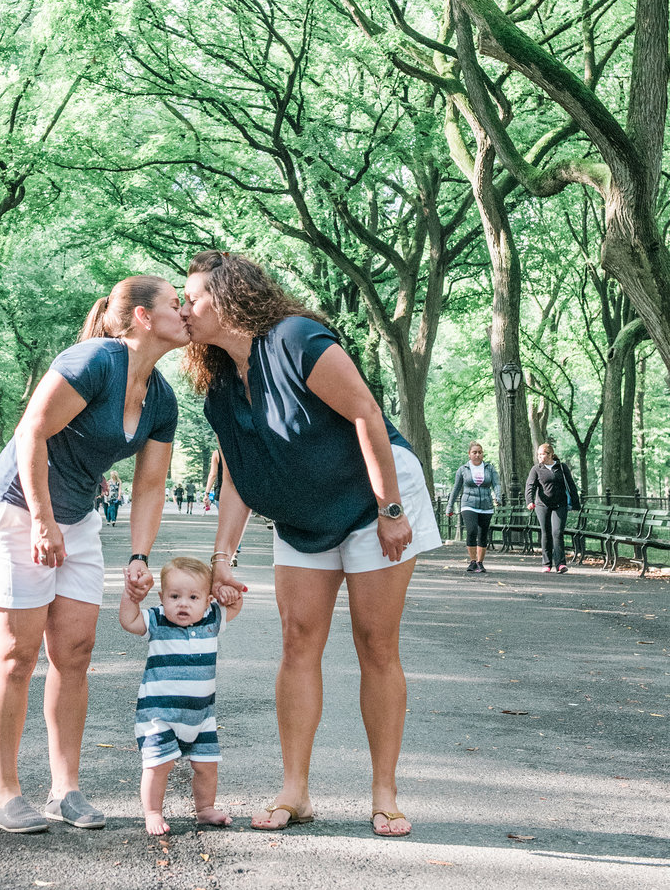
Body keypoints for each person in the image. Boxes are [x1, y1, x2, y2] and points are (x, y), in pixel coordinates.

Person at [181, 250, 441, 837]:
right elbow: (237, 477)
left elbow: (365, 414)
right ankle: (295, 790)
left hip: (375, 501)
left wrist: (391, 508)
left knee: (375, 642)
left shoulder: (297, 339)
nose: (183, 307)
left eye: (192, 296)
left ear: (227, 297)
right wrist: (222, 559)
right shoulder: (220, 388)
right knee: (298, 640)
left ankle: (384, 793)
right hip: (300, 516)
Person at [0, 275, 188, 834]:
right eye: (174, 303)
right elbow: (31, 433)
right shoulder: (93, 360)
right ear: (141, 316)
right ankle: (5, 792)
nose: (186, 311)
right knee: (17, 654)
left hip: (77, 519)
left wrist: (140, 555)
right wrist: (41, 520)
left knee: (76, 653)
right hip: (17, 509)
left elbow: (149, 486)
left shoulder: (161, 397)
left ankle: (65, 789)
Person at [119, 555, 243, 835]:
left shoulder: (212, 620)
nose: (183, 603)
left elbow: (235, 606)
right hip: (159, 716)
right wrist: (131, 596)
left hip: (201, 717)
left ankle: (204, 809)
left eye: (193, 597)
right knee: (158, 766)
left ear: (208, 600)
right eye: (174, 596)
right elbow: (129, 620)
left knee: (207, 766)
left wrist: (229, 592)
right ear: (162, 597)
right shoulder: (158, 621)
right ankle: (152, 812)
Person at [445, 443, 501, 573]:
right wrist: (450, 506)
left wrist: (497, 497)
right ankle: (472, 561)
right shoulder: (463, 469)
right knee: (471, 530)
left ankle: (480, 563)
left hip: (486, 505)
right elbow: (456, 488)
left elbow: (496, 484)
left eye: (480, 452)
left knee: (483, 533)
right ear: (469, 454)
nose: (477, 455)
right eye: (474, 452)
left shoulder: (489, 468)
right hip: (468, 504)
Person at [525, 442, 581, 573]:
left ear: (550, 454)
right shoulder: (536, 469)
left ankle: (560, 564)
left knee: (557, 532)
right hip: (542, 505)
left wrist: (576, 503)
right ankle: (547, 563)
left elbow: (571, 485)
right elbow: (530, 486)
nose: (539, 457)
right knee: (546, 533)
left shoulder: (561, 467)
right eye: (538, 454)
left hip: (559, 505)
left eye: (542, 454)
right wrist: (529, 501)